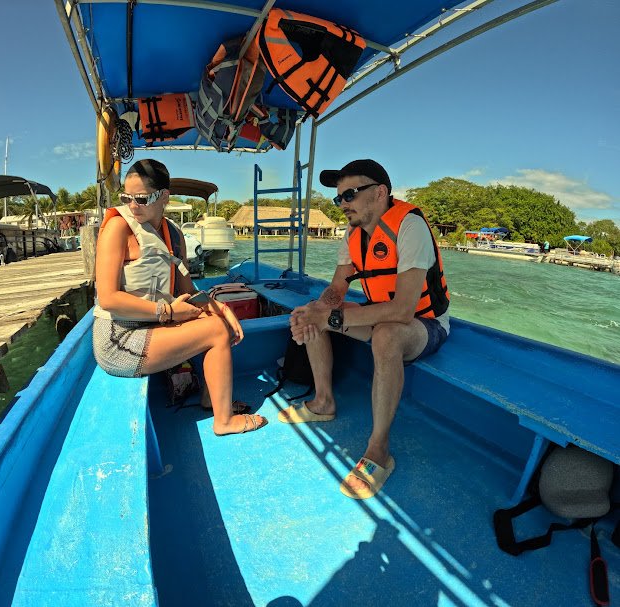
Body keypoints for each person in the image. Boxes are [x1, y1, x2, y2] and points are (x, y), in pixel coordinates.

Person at [280, 159, 450, 499]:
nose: (343, 204)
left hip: (424, 325)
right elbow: (337, 290)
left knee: (385, 334)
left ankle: (378, 450)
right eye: (339, 198)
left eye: (350, 195)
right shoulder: (353, 233)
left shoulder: (409, 226)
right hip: (381, 316)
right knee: (318, 310)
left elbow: (403, 311)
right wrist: (315, 311)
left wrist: (330, 319)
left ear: (380, 193)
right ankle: (324, 402)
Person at [93, 159, 267, 436]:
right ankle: (223, 422)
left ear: (164, 196)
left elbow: (188, 290)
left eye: (141, 198)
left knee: (215, 319)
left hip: (152, 327)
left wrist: (220, 306)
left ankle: (212, 398)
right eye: (126, 197)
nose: (132, 204)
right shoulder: (118, 228)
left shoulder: (174, 234)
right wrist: (169, 313)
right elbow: (109, 299)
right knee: (214, 331)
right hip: (120, 339)